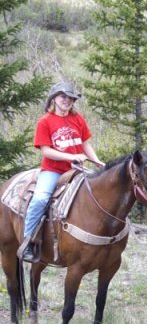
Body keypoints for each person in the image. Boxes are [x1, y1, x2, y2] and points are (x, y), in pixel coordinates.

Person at [20, 82, 104, 262]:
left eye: (70, 98)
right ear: (54, 99)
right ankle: (28, 241)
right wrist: (71, 157)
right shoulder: (45, 121)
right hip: (53, 171)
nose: (67, 100)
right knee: (40, 199)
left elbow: (85, 144)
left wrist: (97, 161)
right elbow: (46, 151)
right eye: (63, 97)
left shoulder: (78, 119)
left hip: (78, 170)